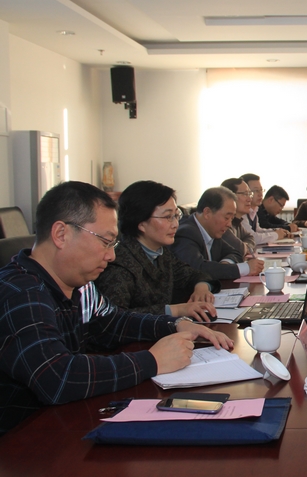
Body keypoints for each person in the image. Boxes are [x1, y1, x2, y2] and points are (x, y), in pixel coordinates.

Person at [0, 181, 232, 435]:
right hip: (23, 440)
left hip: (63, 422)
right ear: (61, 234)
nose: (111, 256)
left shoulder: (79, 285)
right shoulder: (21, 291)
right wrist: (152, 360)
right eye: (106, 242)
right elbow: (56, 378)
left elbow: (112, 322)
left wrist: (175, 325)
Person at [94, 181, 219, 322]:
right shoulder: (119, 263)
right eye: (168, 217)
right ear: (141, 223)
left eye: (176, 215)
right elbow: (113, 318)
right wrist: (176, 310)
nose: (175, 224)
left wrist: (201, 288)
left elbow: (191, 274)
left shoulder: (160, 252)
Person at [170, 187, 264, 280]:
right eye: (226, 218)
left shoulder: (212, 231)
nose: (229, 224)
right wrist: (245, 268)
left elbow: (235, 253)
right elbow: (197, 269)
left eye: (232, 218)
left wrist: (225, 265)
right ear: (207, 213)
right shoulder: (186, 233)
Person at [240, 174, 292, 243]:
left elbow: (258, 230)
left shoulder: (254, 210)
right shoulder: (242, 212)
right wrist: (276, 234)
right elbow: (252, 237)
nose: (260, 194)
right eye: (256, 190)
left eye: (261, 190)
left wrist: (277, 230)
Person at [220, 178, 257, 253]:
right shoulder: (223, 223)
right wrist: (245, 248)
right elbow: (239, 248)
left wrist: (246, 247)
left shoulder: (237, 221)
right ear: (230, 197)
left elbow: (250, 237)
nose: (249, 199)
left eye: (249, 194)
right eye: (245, 194)